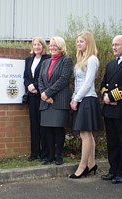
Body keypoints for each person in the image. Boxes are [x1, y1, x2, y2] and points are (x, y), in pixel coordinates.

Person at [100, 35, 122, 184]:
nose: (114, 47)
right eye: (113, 44)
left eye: (117, 45)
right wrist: (105, 95)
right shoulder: (110, 65)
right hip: (109, 110)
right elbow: (103, 84)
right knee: (112, 142)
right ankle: (113, 170)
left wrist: (112, 97)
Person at [69, 31, 102, 179]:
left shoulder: (92, 59)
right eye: (77, 41)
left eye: (81, 41)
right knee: (87, 134)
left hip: (87, 99)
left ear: (88, 43)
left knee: (85, 134)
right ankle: (92, 164)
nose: (78, 44)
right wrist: (73, 97)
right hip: (81, 98)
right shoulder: (81, 59)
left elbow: (88, 83)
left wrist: (77, 98)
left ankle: (82, 167)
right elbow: (78, 83)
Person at [38, 36, 73, 165]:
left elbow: (63, 79)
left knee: (58, 129)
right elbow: (40, 80)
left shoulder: (66, 60)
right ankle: (50, 156)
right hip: (46, 101)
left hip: (59, 101)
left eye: (55, 45)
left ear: (61, 47)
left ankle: (59, 156)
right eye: (51, 45)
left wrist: (48, 93)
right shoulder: (45, 62)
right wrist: (44, 94)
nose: (52, 47)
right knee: (48, 130)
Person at [23, 37, 50, 161]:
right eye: (35, 45)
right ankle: (34, 152)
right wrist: (29, 85)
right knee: (33, 124)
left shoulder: (47, 59)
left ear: (43, 46)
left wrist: (35, 86)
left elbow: (45, 77)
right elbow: (26, 76)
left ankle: (45, 153)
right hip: (32, 96)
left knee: (43, 125)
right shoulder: (29, 60)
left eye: (39, 44)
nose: (37, 47)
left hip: (43, 96)